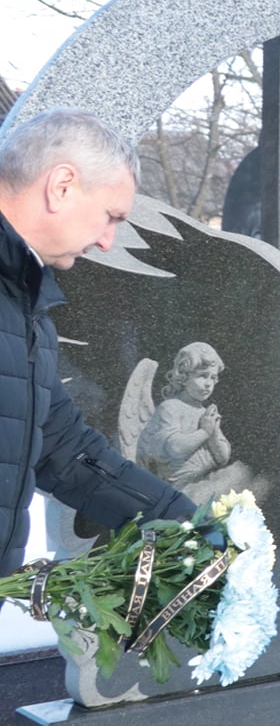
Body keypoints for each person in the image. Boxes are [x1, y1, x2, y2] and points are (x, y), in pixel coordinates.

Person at [0, 109, 194, 572]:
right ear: (62, 185)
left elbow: (64, 450)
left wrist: (187, 524)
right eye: (110, 216)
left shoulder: (26, 306)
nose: (108, 241)